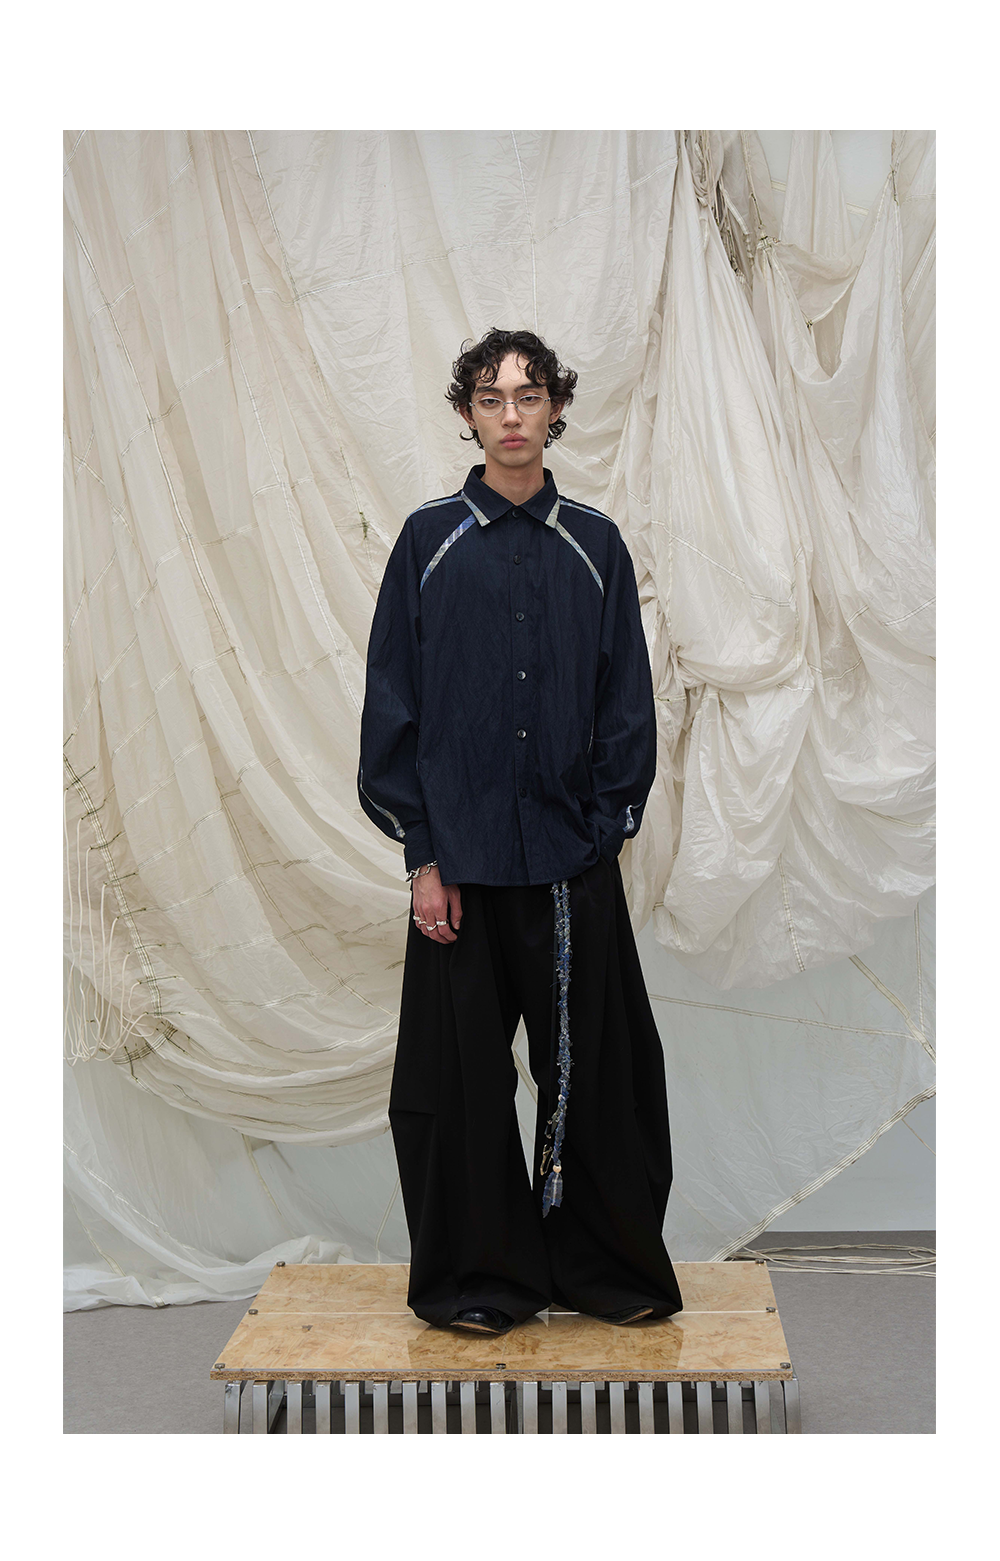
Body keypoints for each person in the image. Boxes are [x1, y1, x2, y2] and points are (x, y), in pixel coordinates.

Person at [357, 327, 683, 1337]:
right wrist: (423, 854)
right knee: (456, 1085)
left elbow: (626, 703)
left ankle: (603, 1267)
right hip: (458, 869)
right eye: (491, 398)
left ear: (555, 410)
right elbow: (392, 706)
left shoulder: (594, 543)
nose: (510, 416)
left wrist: (601, 829)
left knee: (599, 1075)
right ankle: (480, 1279)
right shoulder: (427, 541)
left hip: (570, 860)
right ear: (468, 413)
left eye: (528, 396)